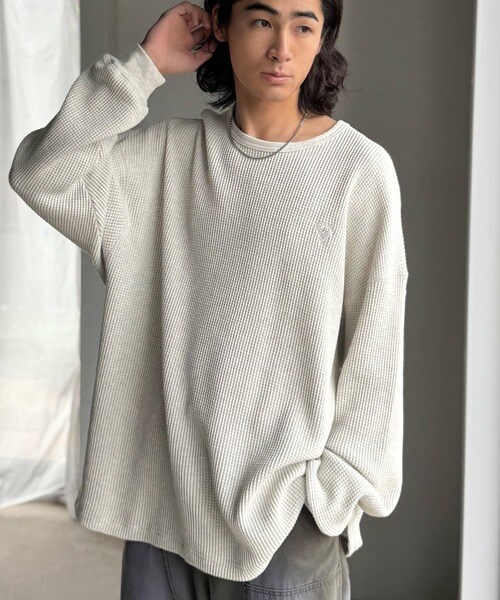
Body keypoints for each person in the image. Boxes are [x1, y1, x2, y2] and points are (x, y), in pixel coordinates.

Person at [8, 0, 409, 598]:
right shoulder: (165, 157)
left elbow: (376, 349)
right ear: (221, 23)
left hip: (285, 527)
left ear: (323, 36)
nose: (282, 48)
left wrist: (330, 495)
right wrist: (143, 66)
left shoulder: (358, 172)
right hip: (161, 514)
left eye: (304, 26)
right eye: (262, 20)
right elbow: (42, 173)